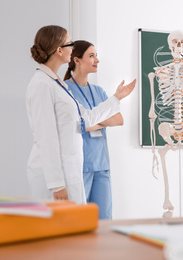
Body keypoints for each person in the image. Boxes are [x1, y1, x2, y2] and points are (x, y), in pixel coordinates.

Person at [27, 25, 135, 204]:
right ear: (59, 50)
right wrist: (57, 184)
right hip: (55, 179)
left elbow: (85, 119)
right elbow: (46, 138)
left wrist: (117, 98)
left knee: (80, 225)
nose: (72, 47)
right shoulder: (42, 84)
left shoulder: (58, 85)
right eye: (70, 43)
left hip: (70, 171)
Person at [63, 40, 121, 219]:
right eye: (91, 55)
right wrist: (97, 121)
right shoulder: (65, 89)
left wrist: (91, 123)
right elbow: (80, 124)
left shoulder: (100, 92)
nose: (97, 60)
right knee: (78, 219)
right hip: (80, 166)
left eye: (96, 55)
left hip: (102, 165)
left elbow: (118, 119)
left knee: (104, 220)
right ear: (77, 60)